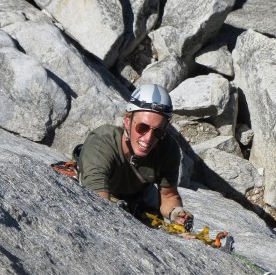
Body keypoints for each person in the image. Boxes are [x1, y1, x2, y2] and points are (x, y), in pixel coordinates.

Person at [78, 84, 193, 229]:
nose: (148, 138)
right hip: (105, 192)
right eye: (142, 128)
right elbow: (97, 197)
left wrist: (176, 213)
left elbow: (169, 196)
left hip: (140, 196)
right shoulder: (103, 143)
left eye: (158, 132)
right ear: (127, 122)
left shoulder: (167, 149)